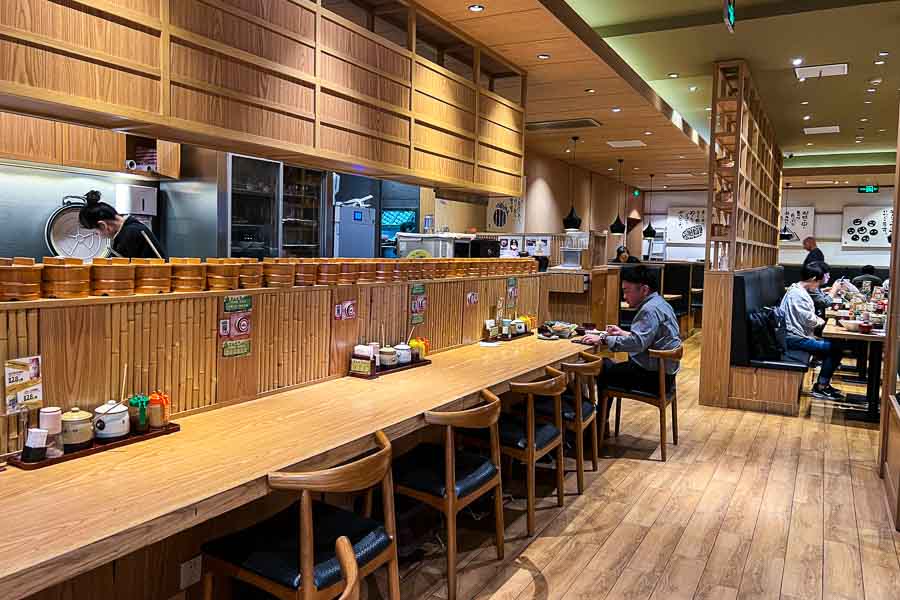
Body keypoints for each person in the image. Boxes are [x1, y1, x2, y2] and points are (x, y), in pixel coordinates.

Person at [583, 266, 681, 398]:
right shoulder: (660, 303)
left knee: (603, 367)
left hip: (654, 378)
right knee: (607, 364)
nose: (624, 297)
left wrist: (603, 339)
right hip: (666, 375)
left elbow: (638, 343)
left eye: (627, 291)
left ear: (644, 290)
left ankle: (600, 418)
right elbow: (648, 338)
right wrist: (623, 333)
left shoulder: (649, 310)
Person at [780, 262, 845, 400]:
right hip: (792, 338)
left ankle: (823, 385)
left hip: (797, 335)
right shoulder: (798, 294)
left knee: (835, 345)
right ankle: (821, 387)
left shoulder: (799, 290)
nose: (819, 285)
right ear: (813, 278)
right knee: (835, 349)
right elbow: (809, 320)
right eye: (819, 280)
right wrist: (821, 321)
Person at [78, 190, 167, 259]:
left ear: (103, 225)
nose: (97, 235)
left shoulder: (130, 234)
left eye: (95, 232)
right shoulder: (130, 229)